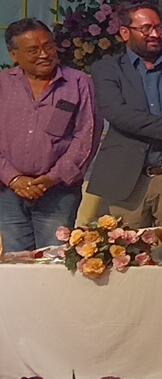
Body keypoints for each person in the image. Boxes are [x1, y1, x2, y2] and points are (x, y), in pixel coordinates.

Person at [88, 2, 162, 238]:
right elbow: (118, 115)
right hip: (127, 178)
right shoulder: (107, 69)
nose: (155, 34)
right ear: (125, 32)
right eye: (146, 29)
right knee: (127, 258)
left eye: (158, 27)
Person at [0, 19, 101, 251]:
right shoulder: (3, 84)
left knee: (55, 261)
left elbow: (86, 137)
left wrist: (51, 178)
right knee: (17, 264)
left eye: (48, 46)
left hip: (58, 192)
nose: (44, 54)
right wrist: (14, 179)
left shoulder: (79, 83)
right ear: (14, 55)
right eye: (33, 50)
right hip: (8, 192)